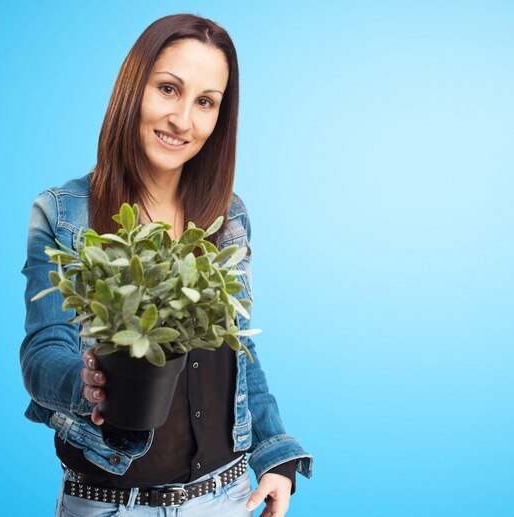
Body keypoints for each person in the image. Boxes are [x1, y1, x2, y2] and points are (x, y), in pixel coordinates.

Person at [20, 13, 312, 517]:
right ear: (133, 89)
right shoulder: (65, 213)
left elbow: (240, 350)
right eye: (168, 89)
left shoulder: (229, 216)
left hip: (226, 500)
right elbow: (43, 352)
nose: (183, 120)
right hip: (110, 504)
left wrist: (275, 456)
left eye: (205, 102)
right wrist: (87, 386)